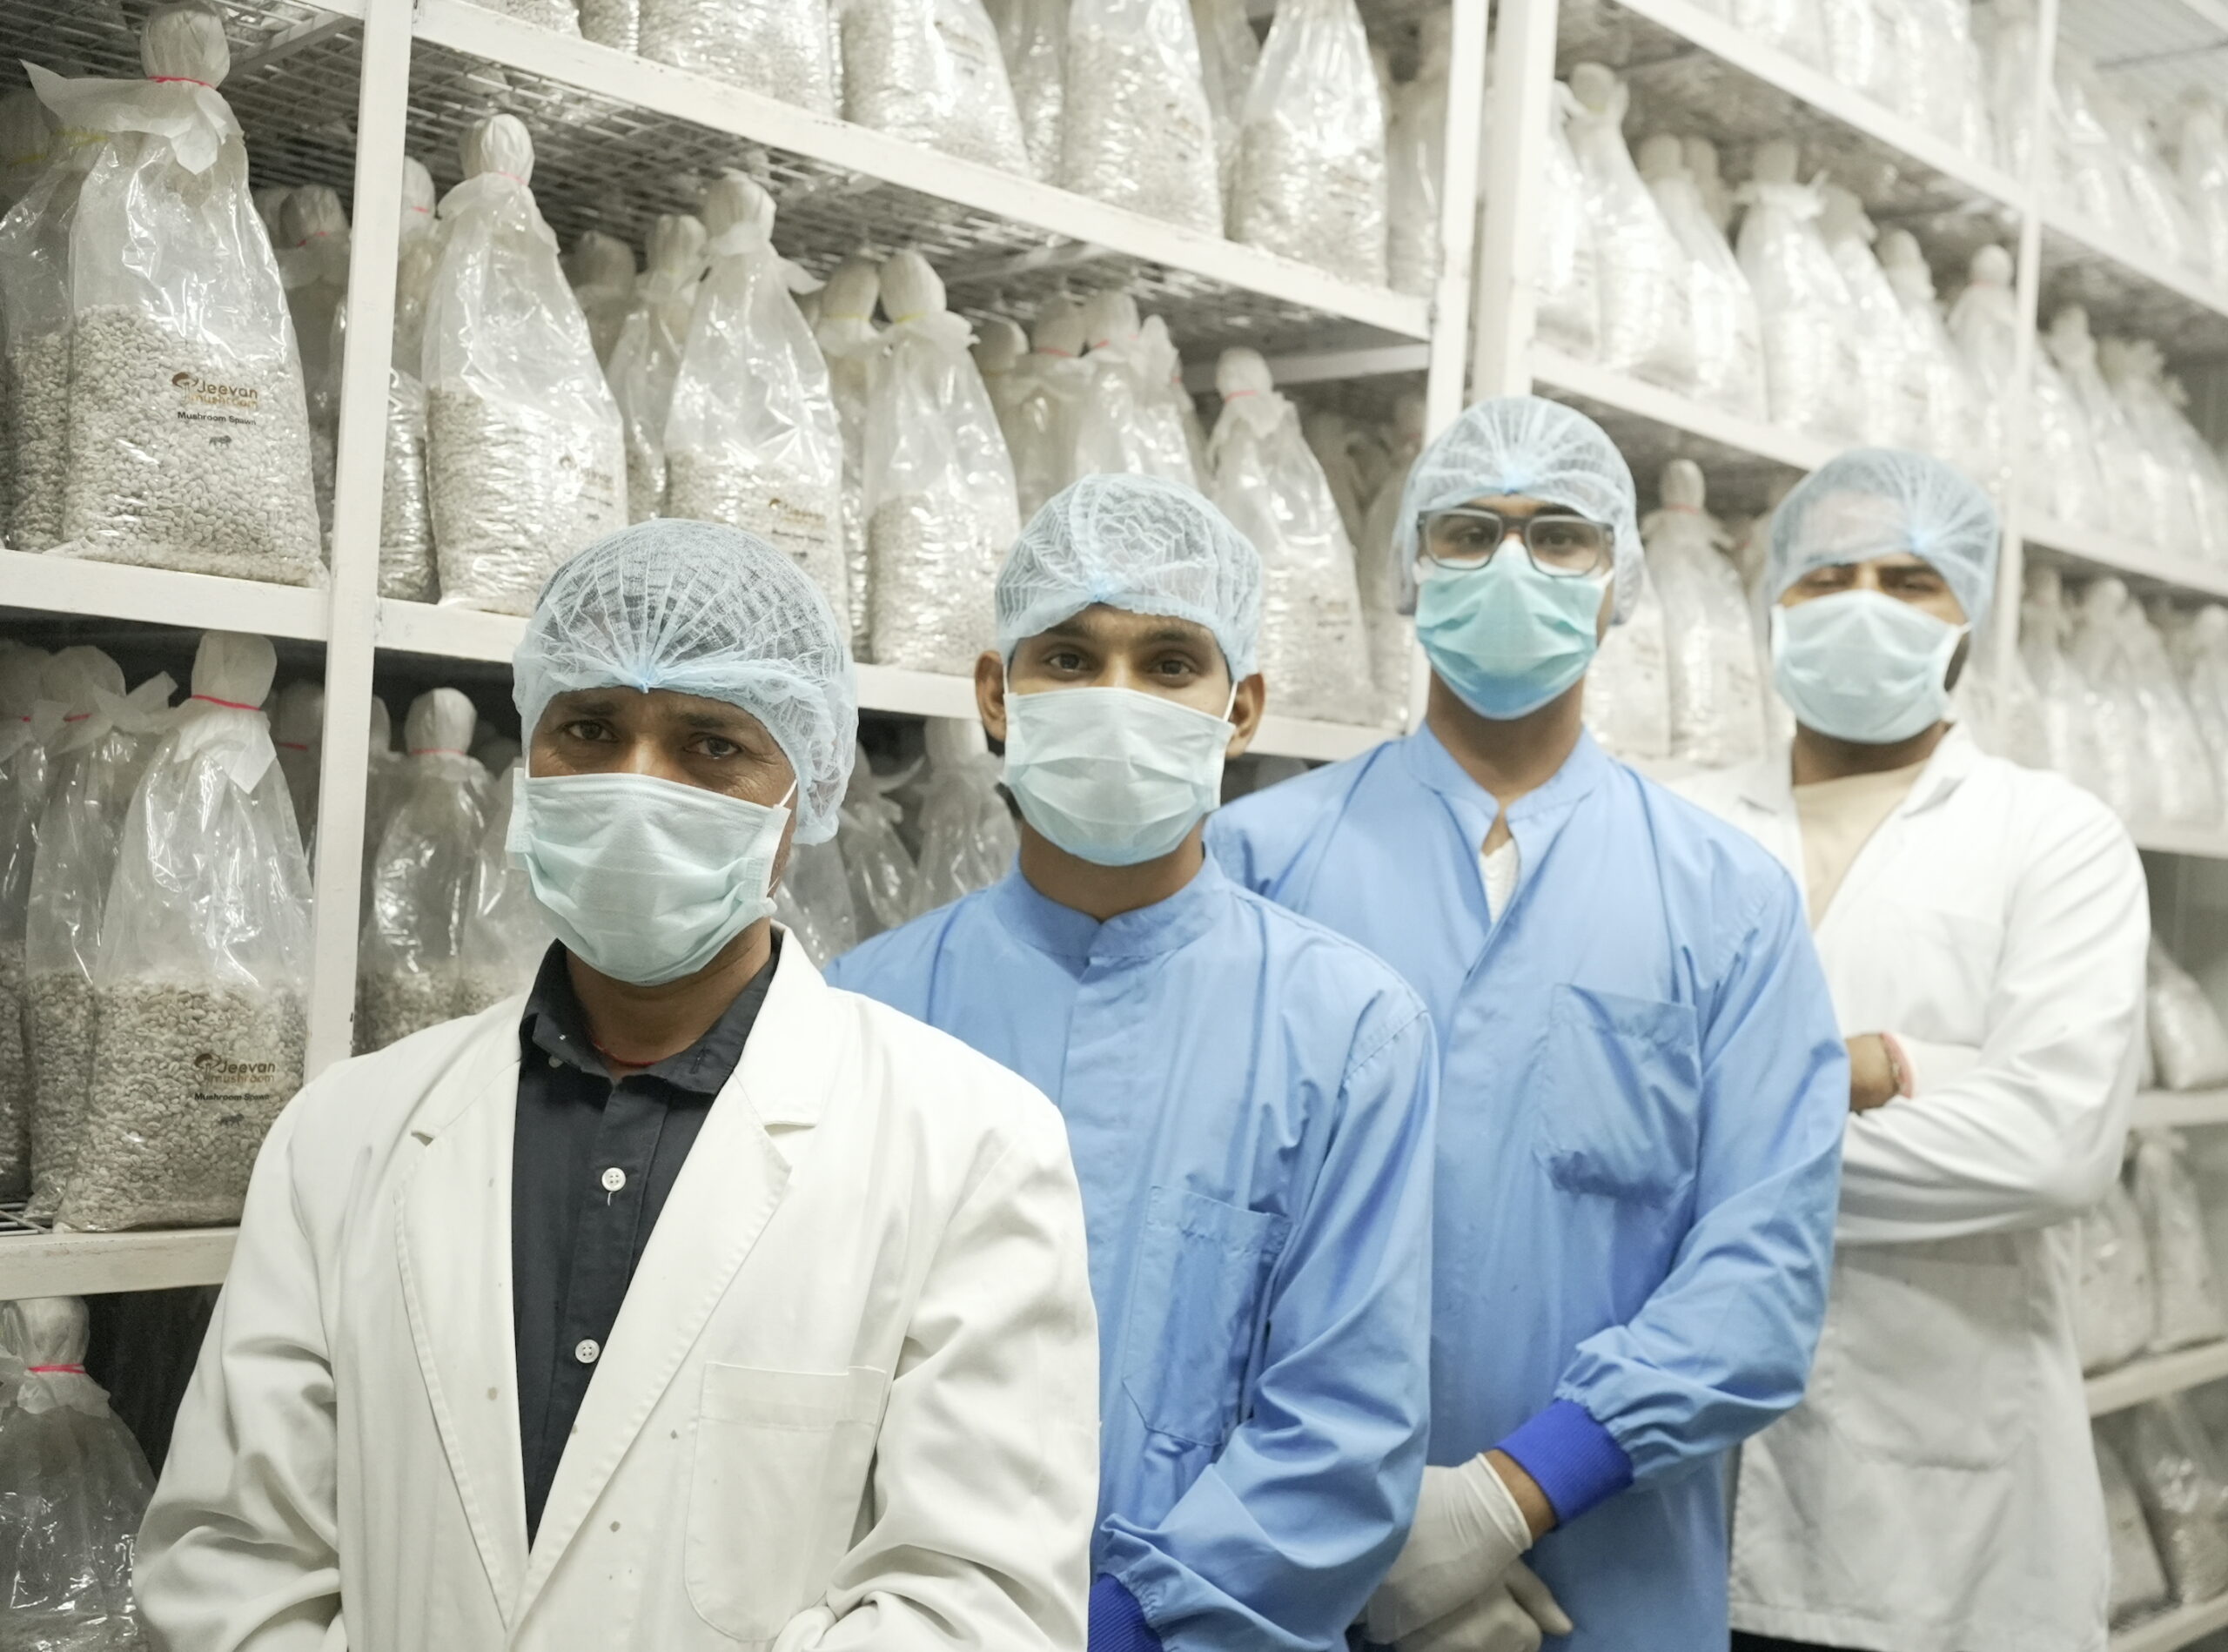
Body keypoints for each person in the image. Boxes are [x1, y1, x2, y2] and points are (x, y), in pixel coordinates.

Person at [135, 523, 1102, 1652]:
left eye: (711, 744)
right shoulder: (343, 1136)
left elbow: (974, 1607)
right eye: (591, 729)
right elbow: (233, 1564)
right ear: (531, 759)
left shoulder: (970, 1147)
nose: (639, 784)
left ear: (801, 796)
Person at [1210, 396, 1850, 1652]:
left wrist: (1510, 1497)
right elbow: (1203, 1246)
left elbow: (1761, 1273)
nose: (1513, 565)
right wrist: (1339, 1535)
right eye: (1468, 532)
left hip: (1606, 1577)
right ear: (1410, 570)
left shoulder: (1728, 901)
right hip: (1287, 1577)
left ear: (1618, 583)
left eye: (1559, 536)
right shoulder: (1257, 863)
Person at [827, 473, 1439, 1652]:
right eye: (1069, 658)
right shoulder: (862, 1012)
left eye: (1168, 664)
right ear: (996, 696)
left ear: (1240, 710)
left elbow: (1343, 1435)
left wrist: (1119, 1624)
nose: (1117, 697)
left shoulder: (1350, 1034)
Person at [1677, 449, 2148, 1652]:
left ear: (1968, 613)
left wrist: (1709, 1130)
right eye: (1827, 575)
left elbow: (2051, 1146)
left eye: (1907, 580)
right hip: (1677, 1488)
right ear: (1774, 598)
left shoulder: (2056, 837)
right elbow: (1585, 1104)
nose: (1863, 604)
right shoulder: (1673, 822)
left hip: (1945, 1530)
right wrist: (1889, 1073)